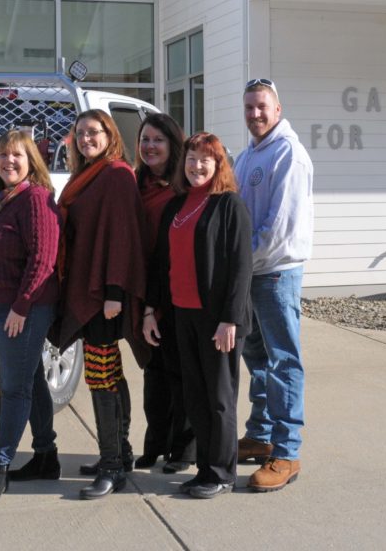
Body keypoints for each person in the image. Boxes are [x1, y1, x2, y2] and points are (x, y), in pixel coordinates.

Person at [145, 132, 253, 498]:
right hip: (182, 316)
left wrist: (230, 320)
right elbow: (162, 265)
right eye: (191, 159)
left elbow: (240, 267)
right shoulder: (177, 206)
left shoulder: (228, 205)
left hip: (217, 320)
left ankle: (222, 473)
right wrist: (150, 311)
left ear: (218, 163)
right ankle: (205, 467)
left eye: (205, 159)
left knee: (219, 398)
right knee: (195, 397)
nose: (196, 166)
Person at [49, 109, 146, 500]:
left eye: (95, 132)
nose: (87, 138)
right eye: (81, 133)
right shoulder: (85, 175)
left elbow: (122, 237)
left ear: (110, 135)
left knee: (100, 377)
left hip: (103, 295)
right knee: (108, 375)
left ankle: (111, 467)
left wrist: (113, 293)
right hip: (86, 289)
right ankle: (120, 454)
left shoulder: (118, 175)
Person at [0, 129, 62, 505]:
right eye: (3, 155)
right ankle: (45, 457)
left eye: (18, 156)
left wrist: (21, 306)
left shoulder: (35, 199)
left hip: (23, 308)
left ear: (31, 162)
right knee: (31, 377)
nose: (9, 161)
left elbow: (43, 259)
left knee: (14, 387)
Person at [233, 78, 314, 492]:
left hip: (275, 273)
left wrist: (239, 262)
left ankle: (286, 452)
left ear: (277, 109)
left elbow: (278, 229)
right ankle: (261, 435)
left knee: (283, 361)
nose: (255, 114)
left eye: (261, 106)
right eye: (248, 107)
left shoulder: (288, 154)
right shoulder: (248, 155)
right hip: (251, 274)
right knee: (258, 358)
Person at [132, 113, 196, 473]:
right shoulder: (135, 183)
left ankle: (183, 450)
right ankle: (154, 443)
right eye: (145, 139)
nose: (150, 146)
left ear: (173, 144)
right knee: (153, 372)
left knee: (181, 373)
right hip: (146, 289)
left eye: (158, 139)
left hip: (179, 291)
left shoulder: (183, 186)